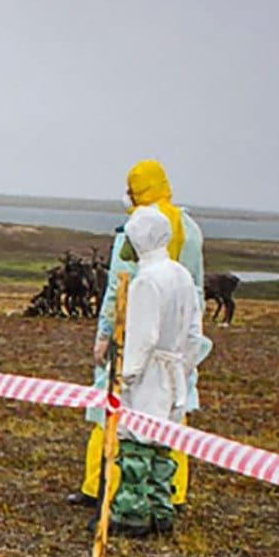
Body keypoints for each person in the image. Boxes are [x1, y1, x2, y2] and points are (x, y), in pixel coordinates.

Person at [69, 159, 208, 509]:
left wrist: (104, 336)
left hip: (135, 339)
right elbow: (198, 293)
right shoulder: (188, 229)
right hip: (175, 345)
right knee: (173, 414)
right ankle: (170, 492)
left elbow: (118, 288)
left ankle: (103, 487)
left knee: (113, 409)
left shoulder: (136, 231)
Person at [109, 206, 204, 536]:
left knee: (138, 443)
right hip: (174, 372)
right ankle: (161, 512)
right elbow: (194, 333)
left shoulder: (147, 282)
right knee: (164, 446)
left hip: (149, 376)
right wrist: (183, 367)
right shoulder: (181, 275)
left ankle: (132, 516)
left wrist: (124, 376)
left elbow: (143, 337)